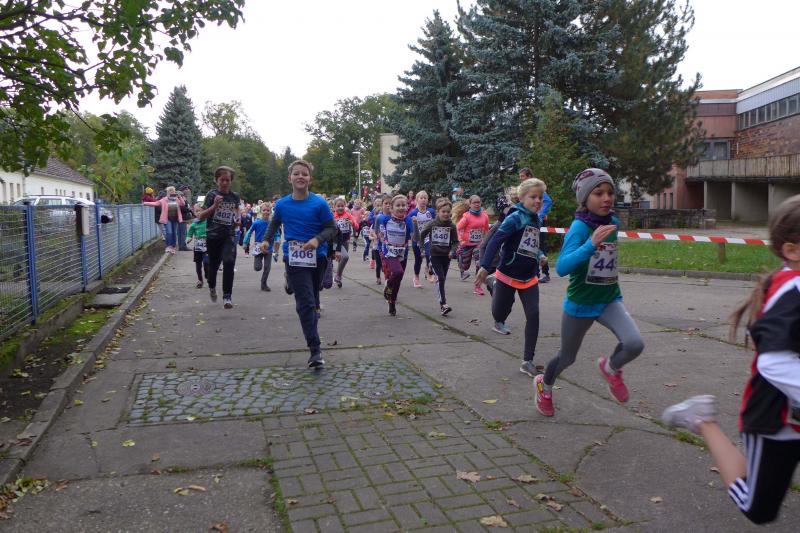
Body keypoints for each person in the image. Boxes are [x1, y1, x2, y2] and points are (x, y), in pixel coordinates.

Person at [661, 195, 800, 525]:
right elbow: (774, 362)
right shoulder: (793, 290)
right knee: (759, 508)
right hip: (774, 421)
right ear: (792, 250)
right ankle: (701, 421)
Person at [535, 169, 644, 416]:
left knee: (634, 344)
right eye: (598, 193)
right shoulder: (579, 228)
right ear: (585, 198)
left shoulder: (612, 223)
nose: (606, 198)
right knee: (567, 358)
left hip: (608, 299)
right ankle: (544, 385)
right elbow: (562, 267)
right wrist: (590, 244)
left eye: (610, 193)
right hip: (580, 304)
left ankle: (611, 368)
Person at [264, 160, 337, 368]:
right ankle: (315, 350)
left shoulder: (319, 204)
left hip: (318, 257)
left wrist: (317, 240)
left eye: (304, 174)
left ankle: (292, 283)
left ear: (310, 179)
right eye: (296, 173)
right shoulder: (282, 204)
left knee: (313, 299)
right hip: (294, 258)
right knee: (305, 303)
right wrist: (266, 240)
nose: (300, 177)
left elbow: (332, 228)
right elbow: (275, 223)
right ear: (290, 178)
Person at [475, 179, 547, 378]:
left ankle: (527, 361)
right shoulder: (515, 218)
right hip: (507, 274)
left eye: (540, 197)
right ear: (522, 198)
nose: (538, 201)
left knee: (534, 314)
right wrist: (485, 266)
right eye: (533, 197)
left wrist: (541, 255)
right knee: (499, 313)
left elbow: (534, 244)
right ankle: (493, 282)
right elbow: (495, 241)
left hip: (529, 276)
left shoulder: (536, 220)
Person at [196, 166, 240, 309]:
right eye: (222, 180)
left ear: (231, 181)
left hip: (229, 234)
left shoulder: (234, 196)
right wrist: (214, 206)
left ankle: (227, 296)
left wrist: (237, 219)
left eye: (228, 180)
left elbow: (236, 211)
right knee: (213, 266)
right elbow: (201, 216)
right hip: (213, 236)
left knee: (229, 262)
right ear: (216, 180)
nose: (225, 183)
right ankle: (212, 287)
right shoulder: (211, 195)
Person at [417, 198, 459, 316]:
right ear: (438, 212)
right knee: (440, 278)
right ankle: (443, 304)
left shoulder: (452, 226)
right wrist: (422, 248)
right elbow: (421, 235)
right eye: (443, 212)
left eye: (448, 212)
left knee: (442, 278)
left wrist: (452, 251)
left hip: (446, 256)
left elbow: (456, 242)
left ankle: (430, 268)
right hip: (434, 254)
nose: (446, 214)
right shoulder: (432, 224)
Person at [377, 194, 412, 316]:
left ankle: (392, 302)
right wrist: (379, 238)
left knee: (399, 280)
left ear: (407, 207)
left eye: (403, 205)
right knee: (398, 272)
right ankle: (389, 284)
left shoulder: (408, 220)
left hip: (403, 252)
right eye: (398, 205)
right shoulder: (385, 219)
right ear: (391, 208)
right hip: (389, 251)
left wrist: (416, 228)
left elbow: (414, 235)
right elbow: (379, 231)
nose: (401, 207)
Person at [519, 168, 552, 282]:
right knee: (530, 245)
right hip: (529, 220)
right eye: (520, 176)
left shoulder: (536, 187)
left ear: (529, 176)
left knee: (539, 246)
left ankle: (546, 273)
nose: (521, 179)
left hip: (538, 221)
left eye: (522, 176)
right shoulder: (526, 189)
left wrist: (539, 215)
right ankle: (534, 273)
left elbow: (548, 201)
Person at [456, 195, 490, 289]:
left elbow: (486, 230)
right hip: (466, 244)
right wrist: (460, 240)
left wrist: (486, 241)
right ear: (470, 204)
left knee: (479, 261)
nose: (477, 204)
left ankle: (478, 283)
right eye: (474, 202)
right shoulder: (466, 217)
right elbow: (458, 228)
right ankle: (460, 259)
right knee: (465, 266)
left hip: (478, 244)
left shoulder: (484, 216)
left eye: (478, 202)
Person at [142, 185, 185, 254]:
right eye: (170, 192)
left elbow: (183, 204)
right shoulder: (164, 200)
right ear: (167, 192)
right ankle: (168, 246)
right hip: (167, 219)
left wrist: (179, 197)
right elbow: (156, 203)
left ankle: (173, 246)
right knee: (169, 232)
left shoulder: (176, 199)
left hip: (175, 219)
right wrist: (145, 203)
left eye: (173, 192)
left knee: (174, 233)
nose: (171, 193)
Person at [406, 190, 436, 288]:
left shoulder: (431, 211)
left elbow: (437, 222)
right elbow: (408, 225)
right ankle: (416, 277)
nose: (423, 200)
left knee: (429, 254)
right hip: (417, 239)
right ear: (417, 200)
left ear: (428, 200)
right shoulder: (413, 213)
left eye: (425, 198)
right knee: (418, 260)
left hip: (428, 238)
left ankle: (428, 269)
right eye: (421, 198)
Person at [242, 202, 273, 291]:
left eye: (268, 210)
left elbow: (277, 234)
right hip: (258, 248)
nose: (266, 212)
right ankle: (258, 262)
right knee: (257, 268)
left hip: (269, 248)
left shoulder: (272, 224)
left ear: (270, 211)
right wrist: (245, 242)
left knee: (267, 268)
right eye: (264, 210)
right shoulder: (257, 222)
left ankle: (263, 283)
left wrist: (277, 244)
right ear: (261, 211)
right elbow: (249, 232)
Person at [332, 197, 359, 288]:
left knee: (342, 259)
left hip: (345, 241)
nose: (340, 208)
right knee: (345, 257)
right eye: (338, 206)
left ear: (345, 206)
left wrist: (352, 223)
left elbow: (357, 226)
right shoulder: (332, 216)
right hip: (335, 241)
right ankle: (337, 276)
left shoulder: (348, 215)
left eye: (342, 206)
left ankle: (338, 277)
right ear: (334, 207)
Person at [186, 204, 209, 288]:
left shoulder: (208, 222)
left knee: (206, 262)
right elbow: (189, 234)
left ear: (205, 211)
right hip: (198, 247)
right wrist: (188, 239)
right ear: (194, 213)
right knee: (198, 264)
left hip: (207, 247)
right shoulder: (194, 224)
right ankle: (200, 280)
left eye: (200, 211)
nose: (198, 213)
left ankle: (207, 274)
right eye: (196, 211)